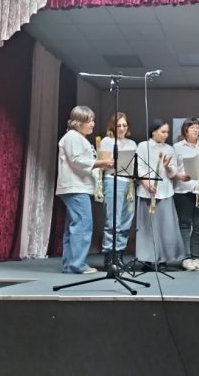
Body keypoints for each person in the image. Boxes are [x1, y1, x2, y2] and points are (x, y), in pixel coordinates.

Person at [55, 105, 113, 274]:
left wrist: (99, 164)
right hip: (76, 187)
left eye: (93, 120)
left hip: (76, 186)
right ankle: (76, 265)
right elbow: (77, 160)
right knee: (82, 225)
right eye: (89, 121)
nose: (93, 124)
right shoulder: (73, 136)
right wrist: (101, 162)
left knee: (74, 227)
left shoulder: (78, 137)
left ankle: (70, 264)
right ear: (78, 122)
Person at [135, 119, 185, 267]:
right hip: (147, 192)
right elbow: (140, 167)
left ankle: (163, 258)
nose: (166, 135)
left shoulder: (169, 149)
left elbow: (173, 172)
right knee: (147, 227)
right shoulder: (143, 146)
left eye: (167, 132)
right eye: (163, 132)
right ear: (153, 131)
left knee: (165, 226)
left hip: (165, 191)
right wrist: (146, 183)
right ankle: (147, 259)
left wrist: (168, 167)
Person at [173, 118, 199, 271]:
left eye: (197, 128)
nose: (195, 130)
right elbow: (172, 168)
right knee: (184, 224)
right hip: (183, 190)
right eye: (192, 128)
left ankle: (195, 256)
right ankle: (186, 257)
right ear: (185, 130)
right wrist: (180, 174)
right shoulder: (177, 147)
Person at [98, 112, 137, 270]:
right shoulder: (107, 141)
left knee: (126, 220)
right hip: (113, 180)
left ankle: (119, 254)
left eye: (124, 125)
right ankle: (109, 256)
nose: (121, 128)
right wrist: (115, 162)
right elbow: (103, 164)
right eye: (119, 125)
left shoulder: (132, 143)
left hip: (128, 183)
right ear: (113, 126)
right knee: (113, 220)